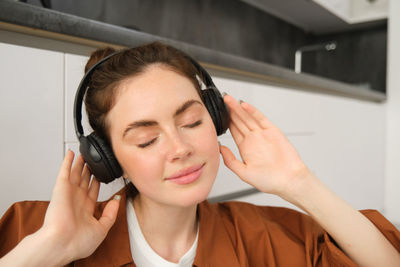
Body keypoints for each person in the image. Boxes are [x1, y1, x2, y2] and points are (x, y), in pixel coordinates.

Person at [0, 42, 399, 267]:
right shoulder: (32, 232)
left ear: (215, 118)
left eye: (191, 122)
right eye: (146, 140)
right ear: (106, 157)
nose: (181, 149)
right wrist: (50, 247)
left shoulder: (270, 240)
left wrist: (300, 184)